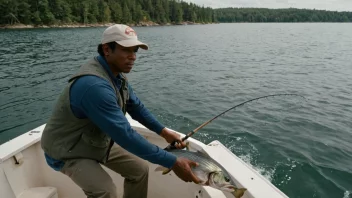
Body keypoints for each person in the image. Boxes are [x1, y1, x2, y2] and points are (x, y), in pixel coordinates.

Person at [40, 24, 200, 198]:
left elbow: (136, 107)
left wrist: (163, 132)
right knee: (105, 191)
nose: (133, 57)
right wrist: (173, 161)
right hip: (66, 150)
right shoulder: (94, 86)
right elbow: (125, 135)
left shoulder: (116, 75)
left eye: (135, 51)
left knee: (139, 171)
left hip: (94, 142)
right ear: (107, 49)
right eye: (126, 50)